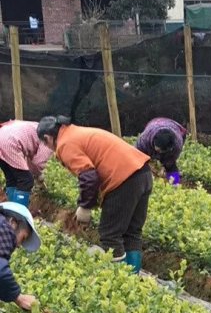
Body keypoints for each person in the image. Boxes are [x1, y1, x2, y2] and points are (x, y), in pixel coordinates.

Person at [36, 117, 152, 274]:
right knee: (132, 232)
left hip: (123, 179)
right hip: (142, 174)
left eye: (45, 144)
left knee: (110, 234)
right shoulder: (75, 132)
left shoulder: (65, 143)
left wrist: (85, 206)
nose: (48, 148)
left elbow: (89, 177)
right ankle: (134, 277)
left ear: (47, 138)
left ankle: (123, 281)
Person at [0, 120, 52, 207]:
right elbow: (38, 163)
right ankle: (18, 215)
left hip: (3, 136)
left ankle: (11, 211)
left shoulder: (37, 127)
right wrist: (38, 175)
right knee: (26, 180)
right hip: (9, 143)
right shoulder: (50, 139)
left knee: (12, 179)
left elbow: (31, 160)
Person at [0, 200, 40, 311]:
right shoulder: (3, 228)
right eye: (23, 238)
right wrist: (19, 297)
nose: (18, 245)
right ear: (13, 222)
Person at [135, 117, 187, 185]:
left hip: (176, 128)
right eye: (158, 149)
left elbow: (170, 160)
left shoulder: (177, 144)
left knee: (170, 165)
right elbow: (135, 156)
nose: (159, 152)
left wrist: (166, 164)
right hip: (155, 123)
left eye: (161, 151)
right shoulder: (144, 139)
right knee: (140, 163)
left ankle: (175, 185)